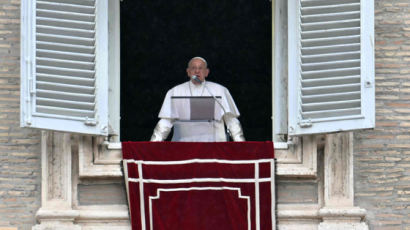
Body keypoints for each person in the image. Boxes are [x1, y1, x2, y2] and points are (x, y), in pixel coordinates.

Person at [150, 57, 245, 142]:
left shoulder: (220, 91)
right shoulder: (174, 92)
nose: (197, 71)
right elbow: (165, 123)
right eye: (193, 68)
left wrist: (241, 146)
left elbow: (231, 121)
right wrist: (152, 146)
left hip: (214, 146)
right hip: (183, 146)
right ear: (188, 72)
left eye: (200, 68)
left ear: (207, 72)